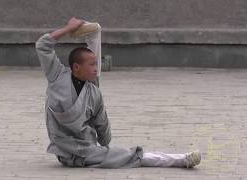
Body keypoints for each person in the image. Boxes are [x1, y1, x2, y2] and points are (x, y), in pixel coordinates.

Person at [35, 17, 201, 168]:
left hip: (87, 148)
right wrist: (67, 28)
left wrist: (105, 143)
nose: (96, 68)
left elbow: (103, 131)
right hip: (69, 155)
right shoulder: (57, 76)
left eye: (96, 64)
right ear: (76, 67)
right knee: (130, 156)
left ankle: (94, 34)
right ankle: (181, 159)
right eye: (92, 65)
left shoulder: (94, 93)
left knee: (123, 155)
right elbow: (42, 45)